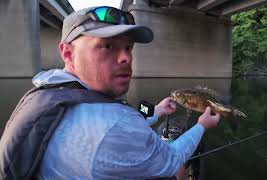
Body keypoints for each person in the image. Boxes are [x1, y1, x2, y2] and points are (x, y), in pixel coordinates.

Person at [0, 6, 220, 179]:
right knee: (178, 172)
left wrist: (158, 111)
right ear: (68, 53)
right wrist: (202, 125)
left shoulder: (46, 91)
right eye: (107, 46)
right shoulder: (117, 124)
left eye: (128, 47)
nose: (126, 57)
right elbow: (172, 159)